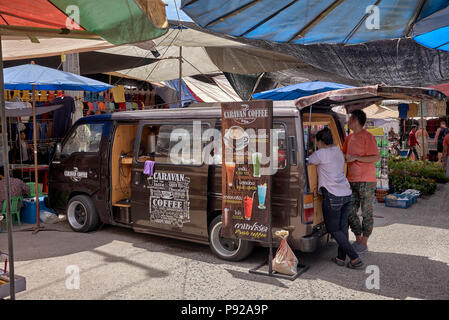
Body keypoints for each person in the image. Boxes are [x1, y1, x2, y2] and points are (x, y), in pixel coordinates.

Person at [309, 128, 363, 269]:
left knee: (334, 229)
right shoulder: (338, 151)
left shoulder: (320, 154)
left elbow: (307, 163)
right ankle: (340, 257)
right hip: (345, 193)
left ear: (320, 141)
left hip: (333, 195)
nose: (317, 144)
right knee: (342, 228)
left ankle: (355, 258)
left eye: (317, 142)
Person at [343, 110, 380, 253]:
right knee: (350, 211)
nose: (348, 121)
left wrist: (356, 158)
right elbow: (344, 154)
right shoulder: (349, 137)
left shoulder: (368, 136)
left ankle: (364, 241)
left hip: (366, 180)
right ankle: (358, 238)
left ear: (356, 119)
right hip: (351, 179)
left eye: (350, 118)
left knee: (366, 212)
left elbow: (375, 158)